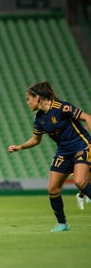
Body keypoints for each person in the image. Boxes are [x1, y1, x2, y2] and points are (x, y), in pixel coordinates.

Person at [8, 81, 91, 232]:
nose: (28, 103)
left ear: (37, 98)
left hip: (82, 146)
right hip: (63, 152)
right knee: (53, 189)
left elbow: (87, 117)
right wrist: (19, 147)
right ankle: (62, 223)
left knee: (80, 181)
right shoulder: (39, 119)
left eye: (29, 99)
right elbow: (35, 140)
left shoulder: (61, 107)